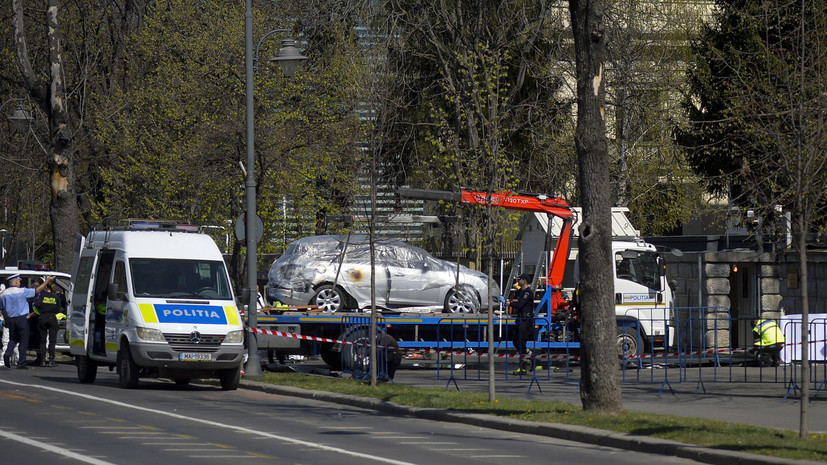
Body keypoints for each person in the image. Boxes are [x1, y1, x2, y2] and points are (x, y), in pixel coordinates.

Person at [1, 274, 52, 369]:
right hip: (21, 318)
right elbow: (37, 290)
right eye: (19, 281)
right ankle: (21, 363)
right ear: (16, 282)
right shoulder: (22, 291)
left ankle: (8, 353)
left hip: (10, 319)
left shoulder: (4, 294)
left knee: (13, 339)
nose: (20, 283)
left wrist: (6, 320)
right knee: (23, 340)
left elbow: (2, 309)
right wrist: (47, 281)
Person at [33, 278, 66, 367]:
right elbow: (59, 309)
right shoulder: (56, 297)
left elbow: (36, 305)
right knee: (52, 340)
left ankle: (42, 360)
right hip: (52, 317)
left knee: (42, 340)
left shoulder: (41, 295)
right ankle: (51, 360)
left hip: (42, 317)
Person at [510, 273, 534, 374]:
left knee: (521, 341)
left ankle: (523, 366)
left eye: (520, 279)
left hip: (526, 319)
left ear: (524, 280)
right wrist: (513, 301)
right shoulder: (519, 291)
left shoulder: (527, 292)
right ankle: (529, 355)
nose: (518, 281)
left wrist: (510, 303)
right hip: (519, 318)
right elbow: (516, 300)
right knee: (515, 340)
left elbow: (520, 304)